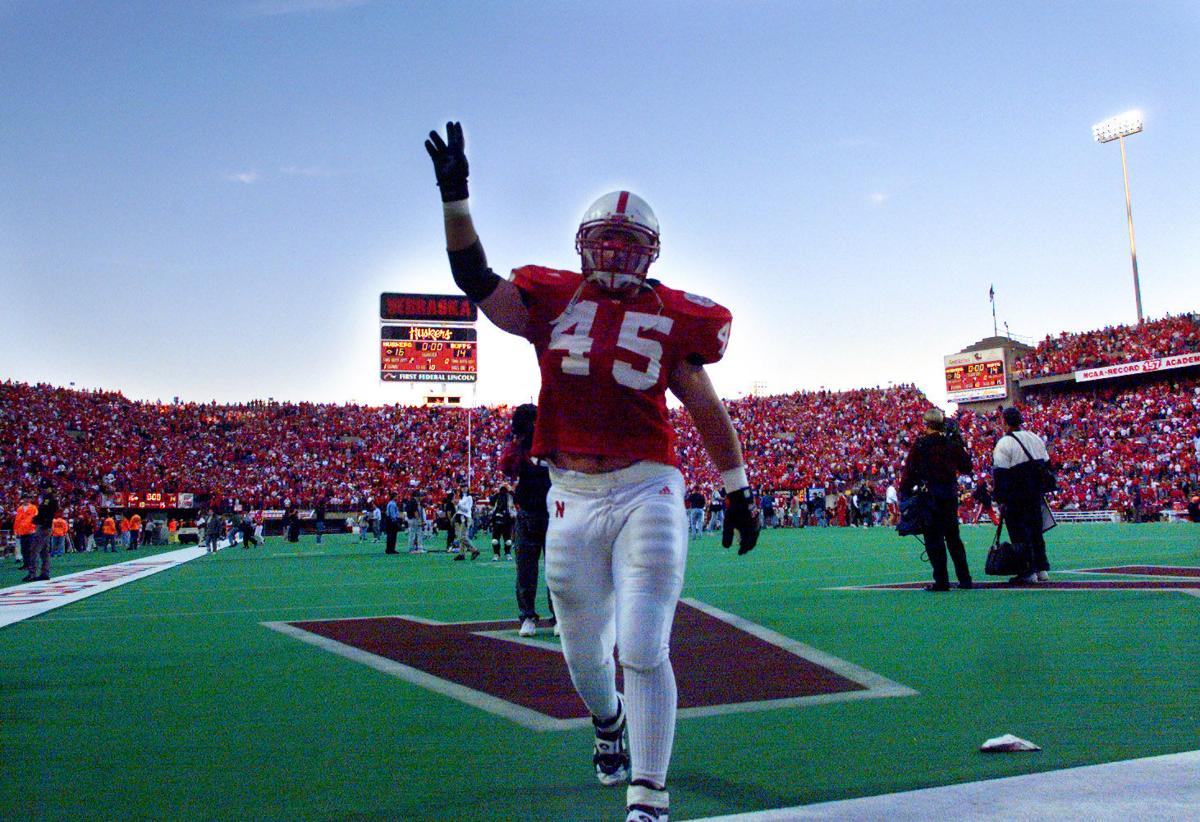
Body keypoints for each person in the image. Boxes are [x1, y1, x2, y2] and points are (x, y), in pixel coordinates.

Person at [426, 121, 759, 822]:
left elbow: (703, 403)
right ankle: (607, 724)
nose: (614, 255)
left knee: (642, 640)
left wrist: (737, 489)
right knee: (583, 657)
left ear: (652, 254)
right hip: (569, 495)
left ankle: (649, 791)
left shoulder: (675, 316)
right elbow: (474, 280)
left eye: (628, 245)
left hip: (649, 486)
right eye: (604, 242)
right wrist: (456, 197)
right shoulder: (550, 298)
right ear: (581, 246)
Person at [898, 408, 974, 591]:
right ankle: (965, 579)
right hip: (948, 494)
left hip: (929, 495)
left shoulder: (921, 445)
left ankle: (942, 580)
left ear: (926, 425)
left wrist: (905, 493)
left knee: (933, 539)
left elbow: (908, 473)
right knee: (953, 538)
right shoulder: (950, 443)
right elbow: (967, 467)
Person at [502, 404, 556, 637]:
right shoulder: (520, 448)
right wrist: (518, 443)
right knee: (526, 570)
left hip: (554, 512)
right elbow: (507, 468)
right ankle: (527, 615)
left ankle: (559, 616)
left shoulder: (554, 442)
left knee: (556, 570)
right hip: (528, 512)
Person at [992, 406, 1052, 584]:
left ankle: (1027, 570)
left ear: (1005, 422)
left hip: (1016, 493)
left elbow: (1000, 474)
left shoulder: (1004, 443)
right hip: (1035, 492)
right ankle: (1042, 568)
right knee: (1036, 530)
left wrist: (1000, 499)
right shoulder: (1034, 437)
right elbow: (1047, 464)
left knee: (1019, 532)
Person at [489, 484, 516, 560]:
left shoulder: (510, 496)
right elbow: (491, 503)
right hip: (497, 519)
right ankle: (496, 554)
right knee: (495, 540)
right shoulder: (496, 496)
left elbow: (517, 499)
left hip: (507, 519)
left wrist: (511, 491)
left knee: (508, 540)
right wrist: (496, 493)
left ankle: (508, 553)